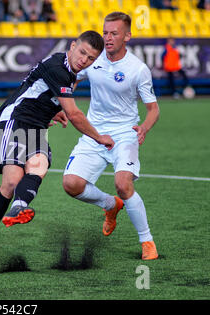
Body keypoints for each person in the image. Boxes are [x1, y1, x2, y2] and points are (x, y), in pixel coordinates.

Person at [0, 30, 115, 273]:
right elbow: (74, 114)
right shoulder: (58, 67)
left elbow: (45, 92)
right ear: (72, 46)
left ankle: (19, 207)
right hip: (14, 120)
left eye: (91, 58)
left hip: (36, 126)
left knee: (39, 164)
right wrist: (99, 137)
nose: (85, 60)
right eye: (82, 52)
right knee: (11, 182)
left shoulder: (72, 72)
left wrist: (51, 110)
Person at [62, 12, 161, 261]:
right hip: (94, 132)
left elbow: (153, 109)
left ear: (127, 36)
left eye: (114, 33)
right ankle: (110, 205)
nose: (107, 38)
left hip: (124, 134)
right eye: (105, 32)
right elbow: (71, 78)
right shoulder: (93, 60)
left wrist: (144, 128)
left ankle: (147, 241)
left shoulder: (138, 69)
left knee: (123, 183)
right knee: (71, 185)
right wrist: (61, 105)